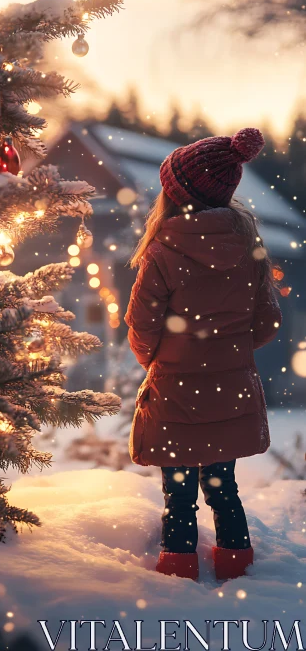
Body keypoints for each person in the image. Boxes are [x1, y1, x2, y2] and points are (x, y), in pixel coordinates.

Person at [125, 128, 282, 582]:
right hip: (229, 391)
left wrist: (158, 361)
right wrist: (228, 352)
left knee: (178, 494)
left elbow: (142, 325)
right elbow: (267, 322)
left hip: (175, 391)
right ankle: (238, 568)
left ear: (175, 195)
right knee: (223, 486)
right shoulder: (247, 245)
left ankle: (177, 572)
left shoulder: (162, 250)